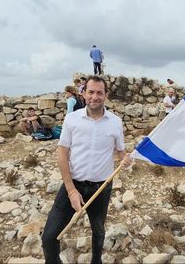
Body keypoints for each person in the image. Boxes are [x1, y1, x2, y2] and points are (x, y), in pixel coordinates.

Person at [42, 76, 132, 264]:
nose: (95, 97)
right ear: (83, 94)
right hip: (73, 185)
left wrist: (126, 159)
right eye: (91, 92)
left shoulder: (115, 122)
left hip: (102, 187)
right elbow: (62, 154)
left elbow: (120, 151)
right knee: (49, 237)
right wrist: (71, 190)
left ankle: (96, 261)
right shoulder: (72, 119)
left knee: (98, 231)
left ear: (106, 95)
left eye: (100, 92)